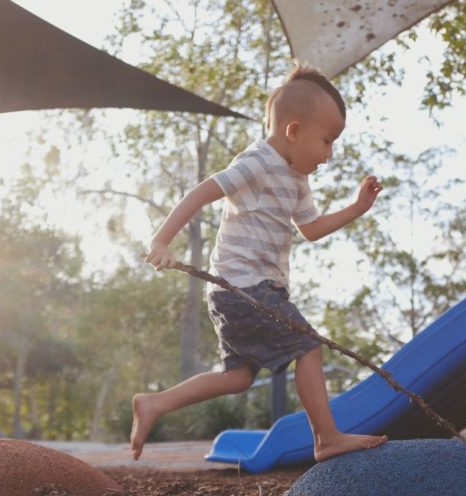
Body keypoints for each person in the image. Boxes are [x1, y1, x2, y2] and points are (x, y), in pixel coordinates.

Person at [133, 62, 387, 462]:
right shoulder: (257, 162)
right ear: (293, 131)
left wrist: (357, 208)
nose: (330, 153)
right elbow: (201, 192)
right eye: (327, 140)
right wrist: (163, 240)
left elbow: (312, 229)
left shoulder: (297, 180)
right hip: (243, 286)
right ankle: (326, 438)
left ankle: (154, 403)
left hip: (243, 291)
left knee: (237, 378)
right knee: (309, 347)